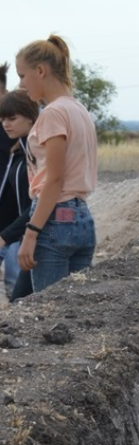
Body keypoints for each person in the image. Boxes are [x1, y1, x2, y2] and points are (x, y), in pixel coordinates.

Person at [14, 34, 98, 294]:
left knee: (49, 310)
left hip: (54, 219)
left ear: (41, 70)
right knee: (76, 308)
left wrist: (31, 233)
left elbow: (55, 179)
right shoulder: (79, 110)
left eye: (22, 75)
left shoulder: (52, 113)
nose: (21, 84)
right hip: (82, 218)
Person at [0, 89, 39, 301]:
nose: (6, 124)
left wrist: (6, 236)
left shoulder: (35, 150)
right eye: (2, 119)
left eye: (12, 119)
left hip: (37, 235)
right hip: (19, 233)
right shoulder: (18, 150)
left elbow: (38, 201)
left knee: (24, 300)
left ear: (31, 117)